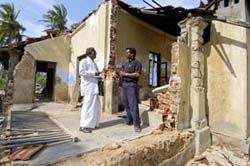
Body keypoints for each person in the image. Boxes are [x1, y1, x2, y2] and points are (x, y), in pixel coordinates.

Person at [119, 48, 142, 133]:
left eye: (127, 53)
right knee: (127, 104)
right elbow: (121, 73)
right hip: (125, 85)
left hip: (132, 85)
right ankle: (129, 120)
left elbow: (137, 74)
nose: (126, 54)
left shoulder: (137, 63)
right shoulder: (125, 64)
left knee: (133, 105)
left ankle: (137, 125)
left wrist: (125, 74)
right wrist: (119, 76)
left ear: (132, 54)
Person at [79, 47, 101, 133]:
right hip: (88, 88)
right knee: (87, 107)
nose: (96, 54)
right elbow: (81, 72)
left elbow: (95, 74)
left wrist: (100, 75)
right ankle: (83, 126)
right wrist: (93, 73)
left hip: (94, 87)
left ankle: (92, 124)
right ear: (90, 53)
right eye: (94, 52)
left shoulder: (94, 64)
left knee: (95, 107)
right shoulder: (83, 61)